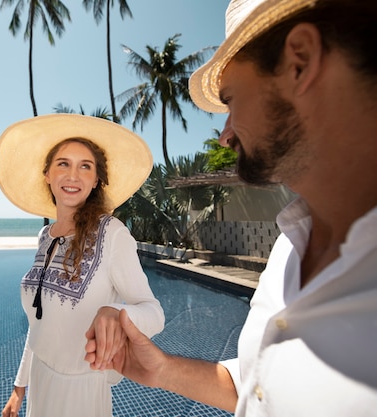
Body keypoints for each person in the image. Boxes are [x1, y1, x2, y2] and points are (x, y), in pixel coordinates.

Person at [85, 0, 377, 415]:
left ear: (300, 62)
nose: (224, 136)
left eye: (231, 98)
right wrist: (162, 369)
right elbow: (259, 386)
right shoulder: (290, 245)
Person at [0, 114, 165, 417]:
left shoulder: (112, 233)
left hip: (82, 396)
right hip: (40, 382)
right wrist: (19, 389)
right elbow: (38, 325)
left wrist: (117, 314)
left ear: (96, 179)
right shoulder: (45, 237)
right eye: (63, 163)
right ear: (47, 173)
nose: (73, 175)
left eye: (85, 166)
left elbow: (154, 313)